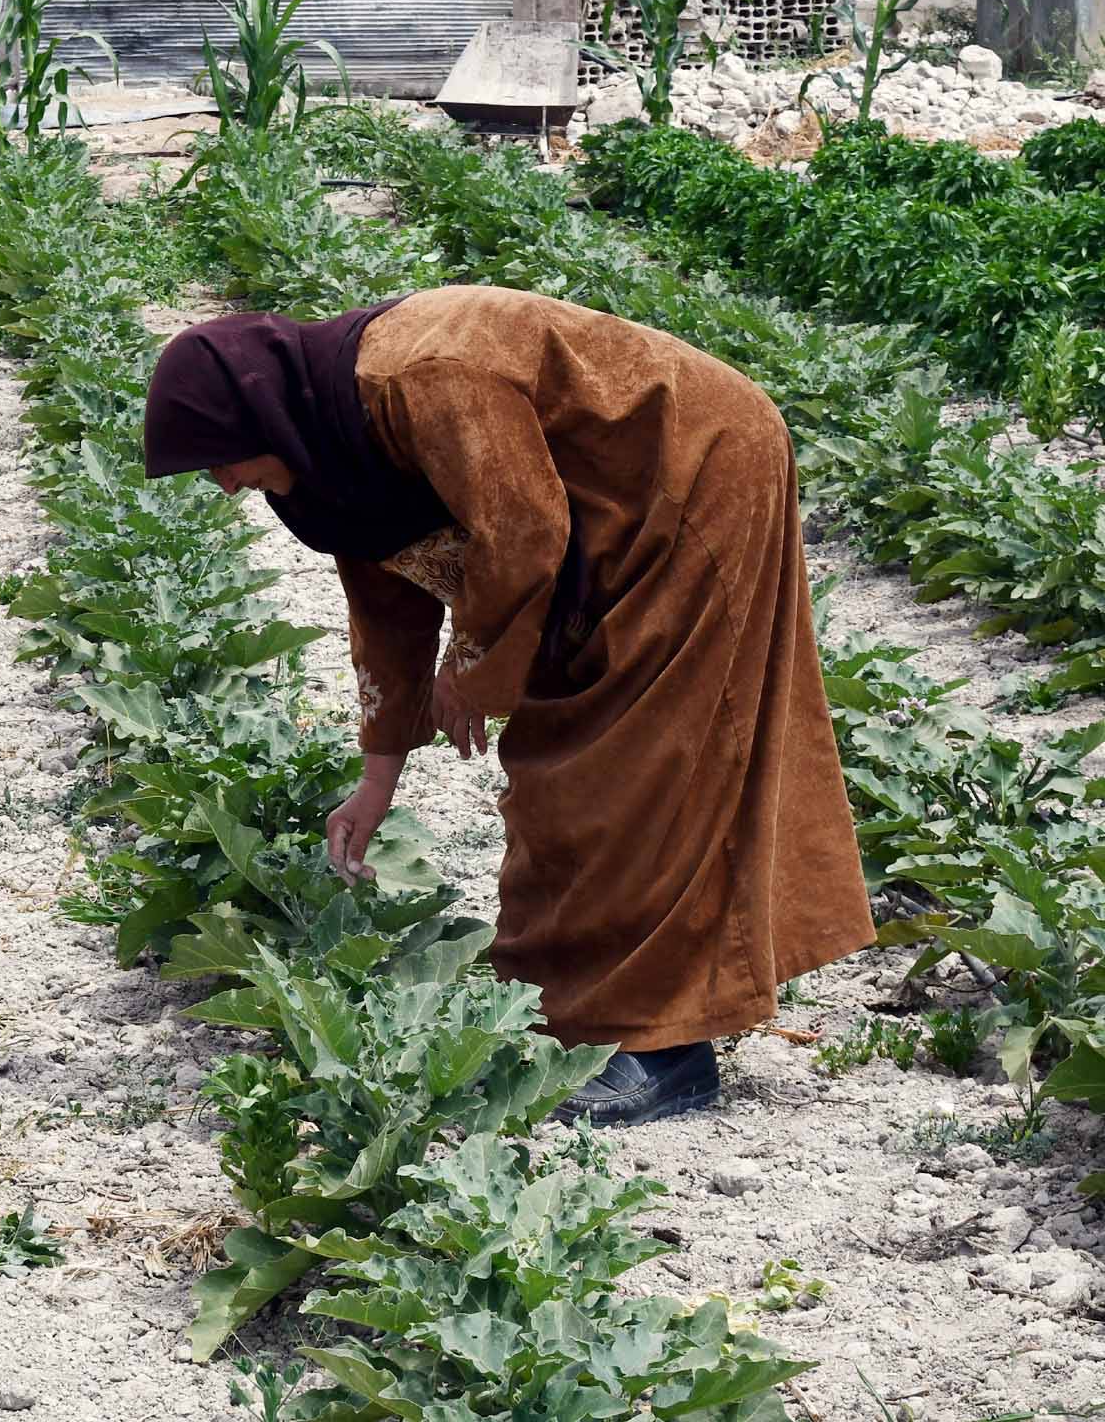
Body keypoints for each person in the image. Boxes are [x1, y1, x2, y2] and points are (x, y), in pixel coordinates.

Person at [142, 286, 872, 1126]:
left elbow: (521, 528)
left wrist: (474, 663)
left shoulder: (421, 376)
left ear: (260, 416)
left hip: (691, 472)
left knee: (640, 764)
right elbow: (387, 599)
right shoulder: (328, 449)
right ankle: (578, 1018)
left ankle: (658, 1052)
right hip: (599, 516)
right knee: (567, 757)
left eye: (223, 460)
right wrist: (377, 779)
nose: (227, 486)